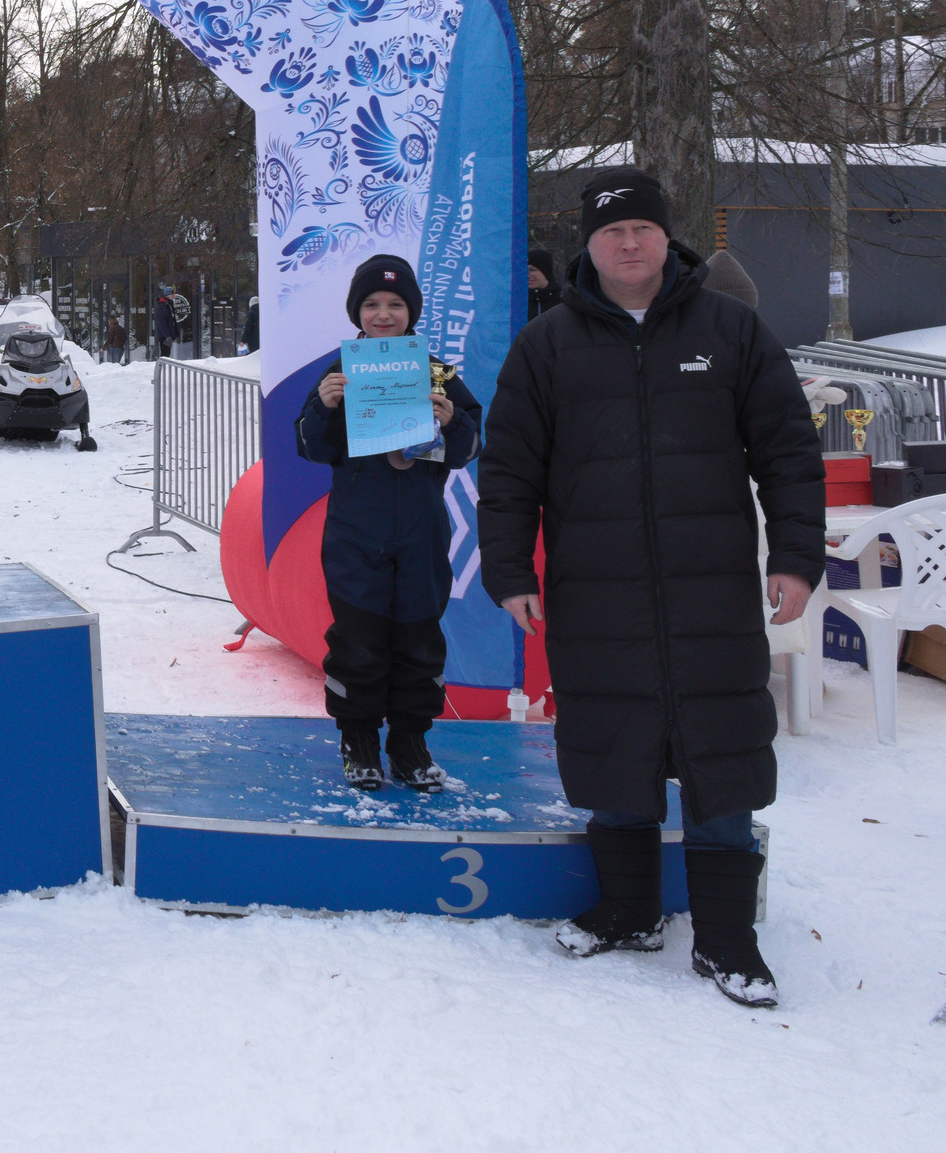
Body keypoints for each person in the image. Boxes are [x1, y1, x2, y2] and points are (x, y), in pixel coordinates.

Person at [479, 167, 822, 1008]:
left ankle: (727, 939)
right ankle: (629, 911)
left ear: (666, 237)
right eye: (610, 232)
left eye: (642, 229)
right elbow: (509, 469)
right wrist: (510, 569)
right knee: (614, 750)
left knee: (722, 755)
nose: (628, 244)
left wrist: (796, 557)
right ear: (588, 247)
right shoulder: (547, 345)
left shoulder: (732, 331)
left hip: (710, 593)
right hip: (598, 595)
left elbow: (787, 453)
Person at [295, 255, 482, 792]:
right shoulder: (339, 369)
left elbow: (470, 445)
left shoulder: (437, 371)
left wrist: (451, 423)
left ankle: (409, 742)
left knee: (419, 641)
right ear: (357, 311)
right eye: (372, 304)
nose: (383, 314)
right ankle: (358, 742)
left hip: (422, 534)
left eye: (395, 304)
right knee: (358, 640)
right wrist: (326, 409)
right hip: (357, 534)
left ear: (412, 311)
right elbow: (308, 447)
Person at [526, 247, 560, 318]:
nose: (528, 275)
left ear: (545, 271)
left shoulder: (562, 299)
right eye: (525, 270)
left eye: (533, 270)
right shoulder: (519, 299)